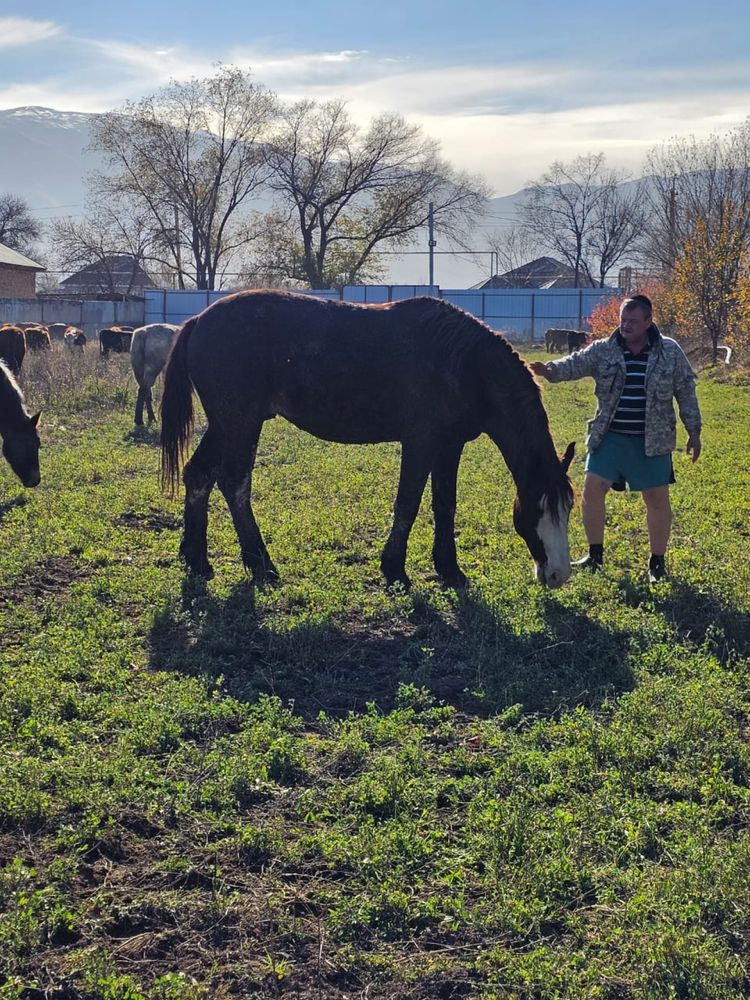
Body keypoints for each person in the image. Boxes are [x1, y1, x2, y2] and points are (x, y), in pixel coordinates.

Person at [529, 294, 702, 582]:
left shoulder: (669, 352)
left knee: (656, 499)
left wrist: (694, 431)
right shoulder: (604, 350)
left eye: (633, 321)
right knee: (593, 490)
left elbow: (686, 391)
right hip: (609, 437)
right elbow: (576, 363)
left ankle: (656, 563)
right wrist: (550, 371)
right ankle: (594, 555)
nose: (626, 326)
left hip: (653, 440)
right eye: (623, 320)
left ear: (649, 321)